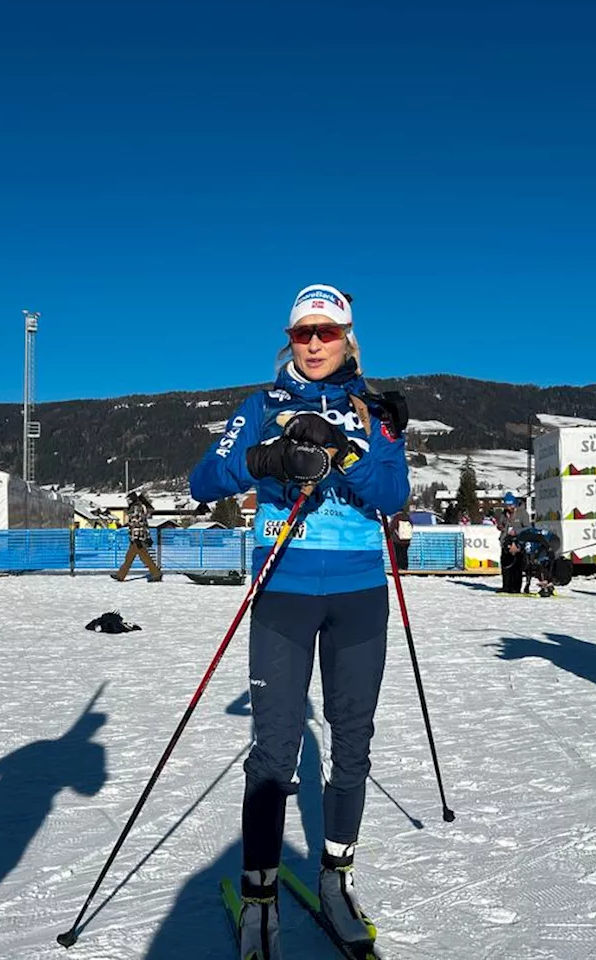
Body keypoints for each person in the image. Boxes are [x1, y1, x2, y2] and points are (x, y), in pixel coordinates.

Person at [190, 283, 408, 959]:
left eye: (326, 332)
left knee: (352, 744)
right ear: (289, 340)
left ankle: (336, 878)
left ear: (347, 338)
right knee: (275, 751)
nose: (314, 344)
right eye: (302, 333)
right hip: (283, 589)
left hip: (360, 593)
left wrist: (345, 449)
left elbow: (393, 494)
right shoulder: (260, 406)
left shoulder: (375, 411)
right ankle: (258, 894)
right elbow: (204, 481)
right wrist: (267, 458)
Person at [112, 491, 162, 582]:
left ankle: (156, 574)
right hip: (136, 536)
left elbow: (137, 523)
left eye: (128, 499)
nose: (127, 501)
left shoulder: (136, 507)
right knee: (130, 557)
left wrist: (137, 538)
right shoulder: (135, 507)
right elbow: (135, 523)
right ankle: (121, 575)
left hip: (137, 537)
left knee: (144, 557)